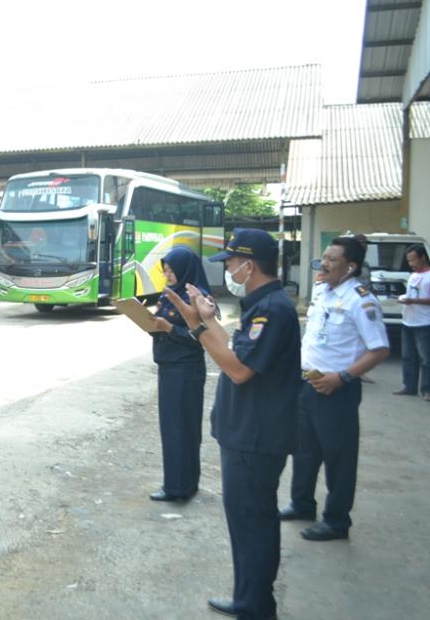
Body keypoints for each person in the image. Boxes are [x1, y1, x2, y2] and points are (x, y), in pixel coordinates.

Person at [164, 228, 299, 620]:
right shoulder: (264, 305)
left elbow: (238, 369)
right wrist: (204, 322)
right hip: (249, 434)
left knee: (252, 524)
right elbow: (238, 349)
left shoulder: (271, 310)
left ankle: (256, 606)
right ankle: (249, 598)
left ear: (249, 265)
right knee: (248, 523)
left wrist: (198, 327)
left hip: (254, 438)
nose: (230, 271)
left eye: (232, 264)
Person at [279, 237, 389, 542]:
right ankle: (302, 504)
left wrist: (342, 377)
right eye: (323, 257)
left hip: (337, 390)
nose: (323, 264)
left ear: (350, 266)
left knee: (339, 458)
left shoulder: (361, 299)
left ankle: (337, 520)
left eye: (331, 259)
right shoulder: (321, 291)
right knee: (304, 451)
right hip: (307, 383)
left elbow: (379, 350)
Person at [148, 246, 210, 502]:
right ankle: (182, 483)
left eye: (172, 269)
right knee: (173, 429)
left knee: (181, 430)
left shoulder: (199, 298)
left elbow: (204, 339)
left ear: (185, 269)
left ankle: (179, 488)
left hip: (185, 370)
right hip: (168, 367)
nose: (168, 274)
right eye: (166, 269)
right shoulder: (169, 294)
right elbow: (159, 324)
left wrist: (170, 329)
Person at [394, 243, 430, 399]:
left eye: (413, 260)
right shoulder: (413, 276)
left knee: (426, 359)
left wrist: (414, 301)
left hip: (424, 323)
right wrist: (404, 300)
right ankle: (409, 386)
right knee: (408, 356)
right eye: (409, 261)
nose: (411, 264)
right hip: (408, 321)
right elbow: (411, 295)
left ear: (423, 258)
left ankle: (427, 389)